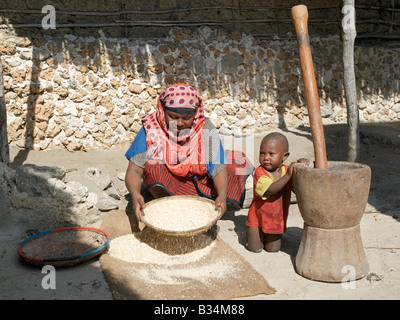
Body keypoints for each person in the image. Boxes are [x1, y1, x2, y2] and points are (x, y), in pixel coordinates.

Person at [124, 83, 254, 222]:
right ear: (163, 111)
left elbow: (217, 166)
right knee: (153, 167)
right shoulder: (152, 128)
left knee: (236, 163)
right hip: (172, 180)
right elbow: (134, 171)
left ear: (195, 114)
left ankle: (208, 200)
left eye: (186, 118)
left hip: (201, 180)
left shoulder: (204, 127)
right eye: (173, 117)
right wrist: (135, 195)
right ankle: (168, 204)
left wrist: (222, 195)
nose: (179, 123)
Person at [245, 132, 309, 253]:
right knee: (255, 248)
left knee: (272, 250)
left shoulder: (286, 170)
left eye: (271, 154)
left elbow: (299, 187)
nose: (265, 157)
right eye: (262, 153)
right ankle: (252, 232)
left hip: (275, 219)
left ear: (284, 157)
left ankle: (267, 236)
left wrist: (301, 167)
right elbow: (270, 189)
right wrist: (289, 175)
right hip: (257, 218)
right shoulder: (260, 172)